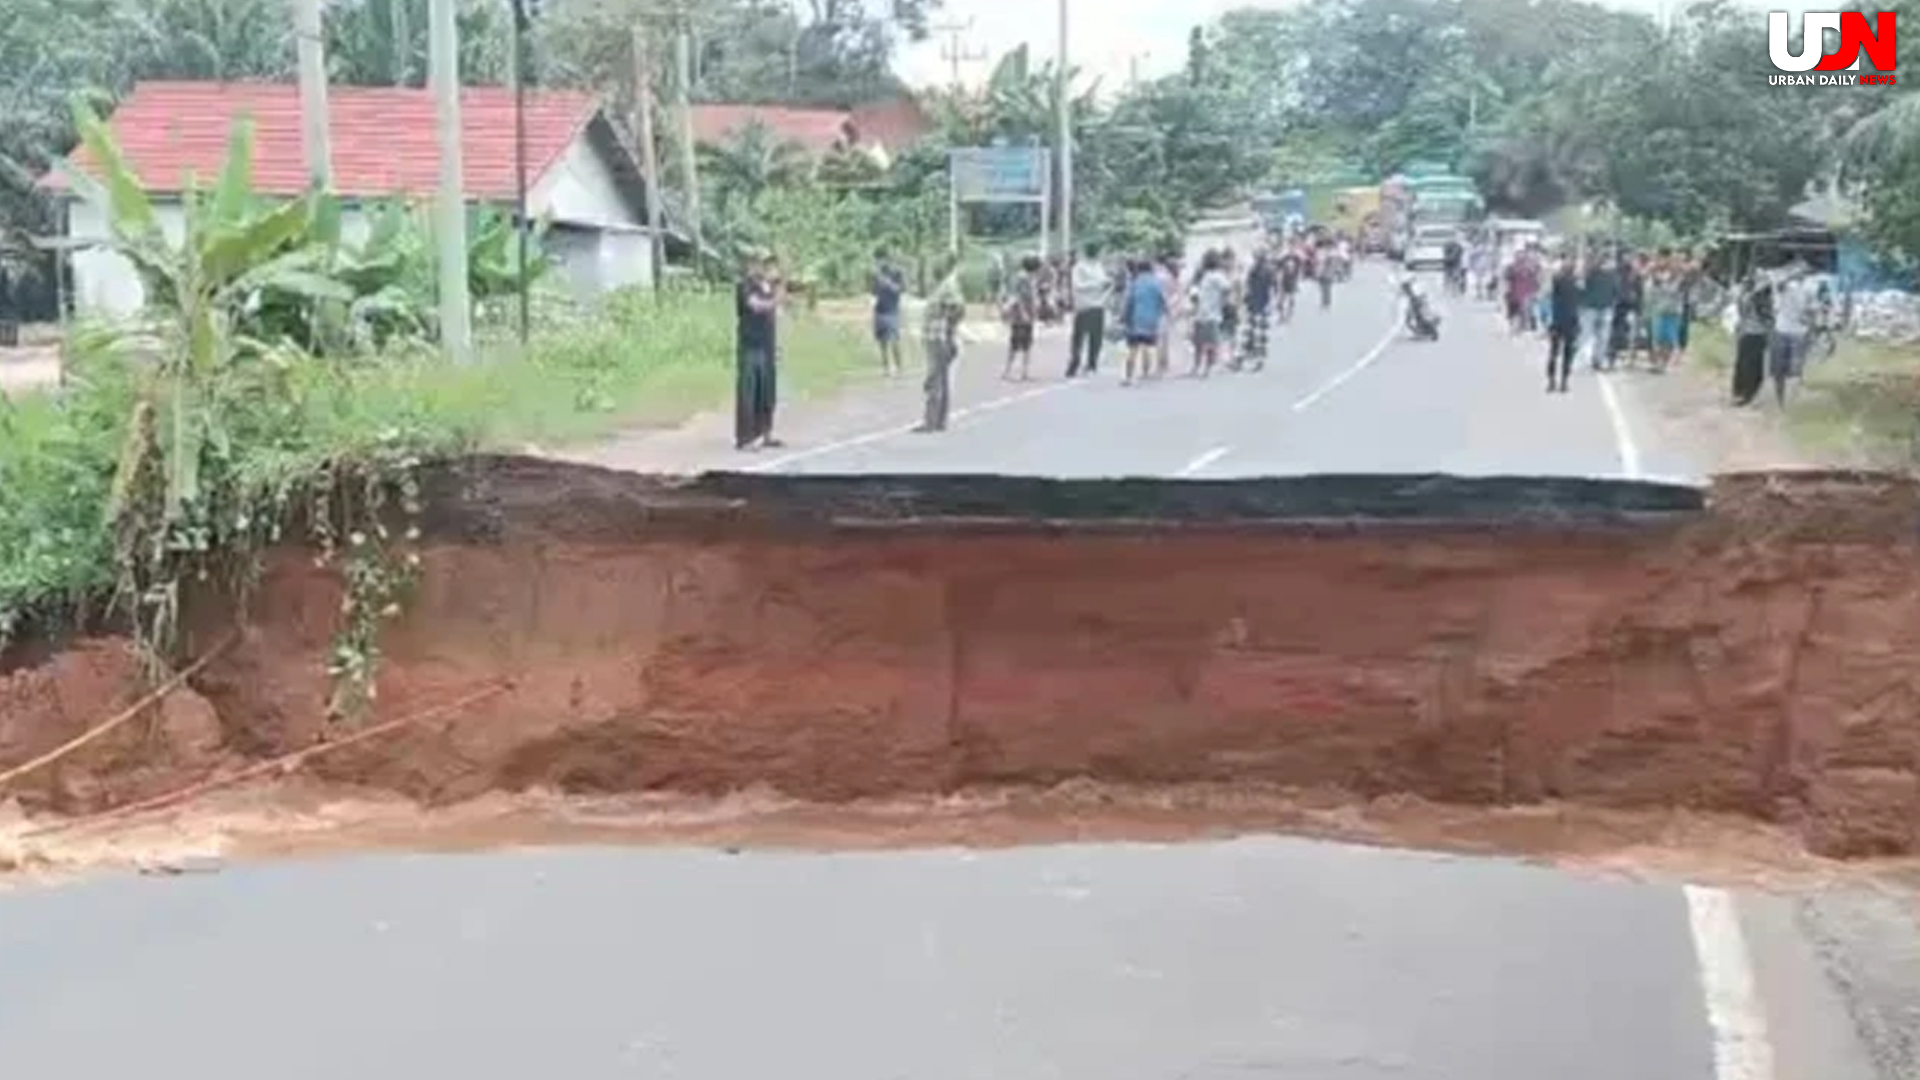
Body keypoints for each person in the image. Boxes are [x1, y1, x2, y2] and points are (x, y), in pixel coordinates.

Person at [734, 250, 783, 450]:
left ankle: (765, 432)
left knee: (767, 391)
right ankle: (745, 438)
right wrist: (776, 300)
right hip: (750, 345)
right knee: (749, 391)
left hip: (766, 344)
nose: (763, 268)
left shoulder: (767, 286)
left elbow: (774, 316)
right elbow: (756, 306)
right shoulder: (744, 286)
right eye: (760, 264)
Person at [916, 253, 966, 433]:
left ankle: (931, 420)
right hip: (935, 336)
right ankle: (938, 420)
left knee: (935, 379)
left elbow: (959, 308)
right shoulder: (941, 286)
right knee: (940, 379)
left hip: (939, 337)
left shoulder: (948, 286)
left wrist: (949, 330)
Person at [1769, 263, 1814, 407]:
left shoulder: (1809, 289)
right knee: (1778, 371)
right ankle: (1780, 401)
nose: (1800, 273)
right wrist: (1791, 274)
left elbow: (1811, 310)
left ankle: (1791, 404)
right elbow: (1780, 284)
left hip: (1799, 332)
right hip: (1781, 330)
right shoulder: (1784, 286)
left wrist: (1809, 320)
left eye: (1803, 272)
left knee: (1796, 370)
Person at [1068, 243, 1112, 378]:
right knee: (1078, 338)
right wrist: (1097, 285)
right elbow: (1077, 286)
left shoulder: (1099, 267)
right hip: (1083, 306)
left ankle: (1092, 364)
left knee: (1096, 338)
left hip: (1098, 305)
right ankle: (1075, 363)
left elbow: (1106, 283)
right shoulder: (1079, 268)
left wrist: (1106, 288)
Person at [1121, 258, 1167, 387]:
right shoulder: (1156, 283)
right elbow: (1163, 300)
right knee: (1149, 346)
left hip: (1135, 319)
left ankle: (1129, 376)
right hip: (1152, 319)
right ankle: (1146, 372)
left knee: (1133, 348)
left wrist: (1123, 316)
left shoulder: (1135, 283)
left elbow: (1128, 301)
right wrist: (1163, 313)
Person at [1731, 269, 1773, 406]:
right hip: (1756, 333)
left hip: (1745, 332)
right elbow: (1766, 318)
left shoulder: (1744, 296)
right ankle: (1748, 394)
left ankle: (1739, 392)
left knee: (1742, 364)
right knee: (1753, 366)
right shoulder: (1759, 298)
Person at [1189, 250, 1231, 378]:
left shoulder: (1211, 276)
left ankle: (1198, 367)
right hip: (1211, 313)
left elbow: (1194, 293)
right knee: (1210, 343)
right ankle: (1206, 368)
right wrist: (1223, 302)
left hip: (1204, 313)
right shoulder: (1215, 276)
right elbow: (1227, 290)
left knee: (1200, 343)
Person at [1578, 249, 1619, 371]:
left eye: (1607, 259)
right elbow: (1581, 287)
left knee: (1603, 336)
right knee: (1587, 335)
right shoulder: (1590, 273)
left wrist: (1612, 305)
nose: (1605, 262)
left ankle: (1598, 360)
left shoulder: (1612, 275)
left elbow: (1616, 292)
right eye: (1604, 259)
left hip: (1605, 309)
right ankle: (1586, 359)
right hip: (1590, 309)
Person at [1644, 251, 1685, 373]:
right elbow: (1652, 289)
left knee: (1669, 339)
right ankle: (1659, 364)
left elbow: (1672, 290)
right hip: (1659, 310)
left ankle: (1665, 364)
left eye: (1676, 262)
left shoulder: (1679, 278)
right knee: (1658, 339)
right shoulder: (1662, 275)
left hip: (1673, 311)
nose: (1673, 265)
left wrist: (1658, 280)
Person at [1546, 254, 1582, 394]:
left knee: (1568, 353)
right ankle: (1552, 381)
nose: (1570, 263)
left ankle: (1564, 381)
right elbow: (1551, 293)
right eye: (1567, 261)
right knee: (1554, 353)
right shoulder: (1558, 279)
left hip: (1571, 320)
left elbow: (1580, 300)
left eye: (1571, 261)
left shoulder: (1576, 281)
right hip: (1558, 320)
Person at [1002, 255, 1040, 381]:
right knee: (1018, 343)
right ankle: (1010, 371)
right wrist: (1024, 313)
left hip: (1026, 314)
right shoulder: (1023, 279)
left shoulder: (1027, 278)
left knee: (1025, 343)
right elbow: (1019, 297)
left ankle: (1022, 371)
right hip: (1021, 315)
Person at [1239, 249, 1276, 372]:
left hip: (1261, 305)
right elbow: (1248, 287)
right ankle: (1242, 358)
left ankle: (1257, 360)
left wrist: (1271, 304)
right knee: (1249, 333)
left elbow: (1272, 288)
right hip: (1254, 304)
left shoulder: (1266, 271)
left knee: (1258, 335)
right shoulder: (1254, 270)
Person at [871, 250, 906, 378]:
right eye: (879, 260)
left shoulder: (897, 273)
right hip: (879, 310)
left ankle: (899, 367)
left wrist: (888, 284)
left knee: (894, 340)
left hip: (892, 311)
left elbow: (901, 290)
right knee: (882, 341)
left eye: (883, 260)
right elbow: (874, 292)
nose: (881, 263)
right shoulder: (876, 275)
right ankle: (886, 367)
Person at [1276, 242, 1302, 323]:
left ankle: (1289, 314)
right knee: (1281, 299)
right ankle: (1281, 316)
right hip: (1284, 280)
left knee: (1291, 298)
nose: (1291, 250)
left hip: (1292, 280)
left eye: (1293, 248)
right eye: (1290, 248)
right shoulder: (1284, 257)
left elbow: (1300, 270)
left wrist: (1298, 279)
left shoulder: (1297, 258)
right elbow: (1278, 267)